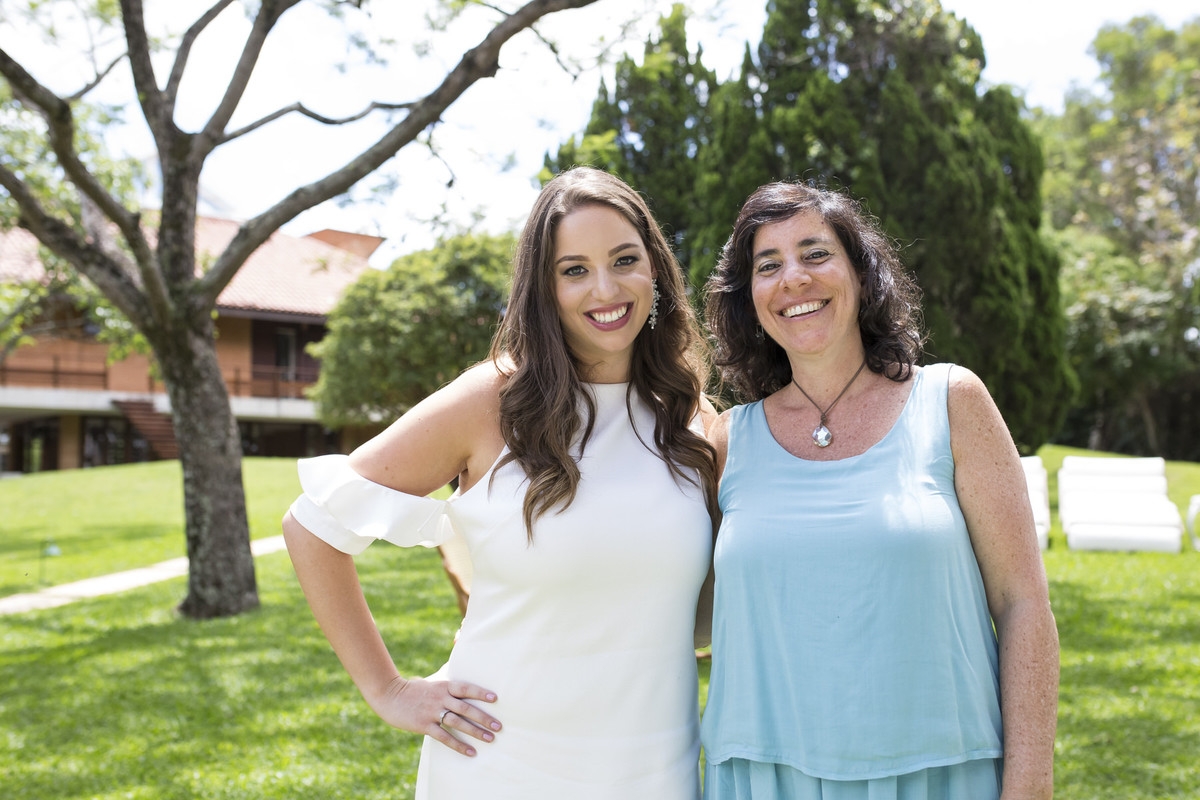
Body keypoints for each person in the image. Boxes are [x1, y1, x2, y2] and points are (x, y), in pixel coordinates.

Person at [281, 166, 718, 799]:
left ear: (655, 269)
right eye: (574, 270)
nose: (605, 288)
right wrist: (388, 689)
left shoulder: (690, 417)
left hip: (654, 769)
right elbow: (313, 525)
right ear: (544, 288)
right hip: (499, 762)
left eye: (625, 260)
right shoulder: (492, 400)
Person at [700, 181, 1059, 800]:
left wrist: (1030, 784)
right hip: (764, 778)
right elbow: (678, 618)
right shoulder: (728, 441)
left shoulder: (951, 402)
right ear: (748, 299)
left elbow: (1022, 604)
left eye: (816, 254)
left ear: (861, 275)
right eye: (768, 265)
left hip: (941, 774)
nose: (794, 278)